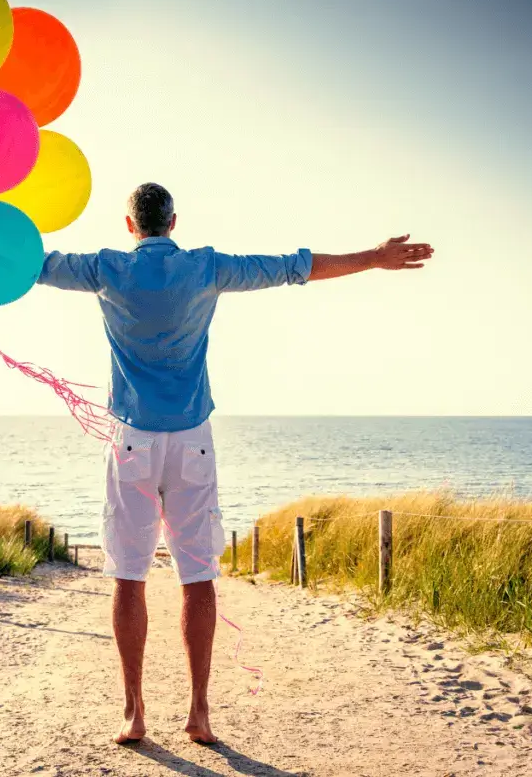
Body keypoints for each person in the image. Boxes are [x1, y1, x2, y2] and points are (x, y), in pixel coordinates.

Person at [36, 183, 434, 745]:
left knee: (129, 576)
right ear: (173, 221)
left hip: (132, 441)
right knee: (196, 576)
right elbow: (292, 268)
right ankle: (199, 713)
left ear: (130, 225)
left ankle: (135, 713)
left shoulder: (107, 269)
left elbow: (33, 264)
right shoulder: (206, 268)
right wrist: (372, 258)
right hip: (192, 439)